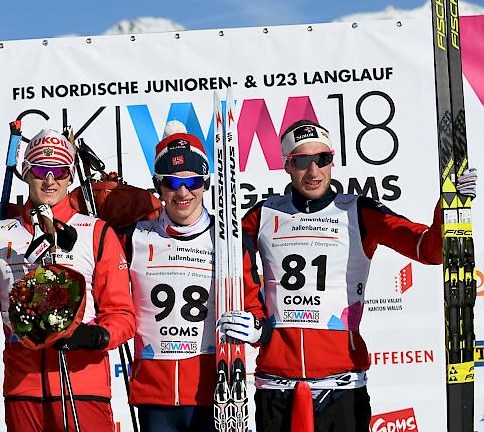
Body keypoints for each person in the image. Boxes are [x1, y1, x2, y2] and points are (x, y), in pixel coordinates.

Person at [217, 119, 477, 432]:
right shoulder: (262, 215)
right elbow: (231, 262)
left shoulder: (358, 210)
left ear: (332, 160)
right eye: (301, 162)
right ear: (287, 165)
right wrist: (258, 324)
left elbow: (428, 250)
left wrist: (448, 208)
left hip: (341, 389)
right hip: (277, 387)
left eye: (322, 160)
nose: (313, 172)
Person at [0, 128, 136, 432]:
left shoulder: (95, 232)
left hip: (83, 385)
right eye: (42, 170)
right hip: (22, 388)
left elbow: (123, 315)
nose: (50, 180)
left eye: (59, 171)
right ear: (27, 173)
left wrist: (95, 337)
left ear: (70, 177)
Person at [123, 121, 225, 432]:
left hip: (211, 392)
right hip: (154, 395)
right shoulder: (134, 237)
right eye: (170, 182)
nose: (183, 192)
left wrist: (256, 328)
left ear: (205, 182)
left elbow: (253, 304)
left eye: (193, 181)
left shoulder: (227, 240)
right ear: (158, 186)